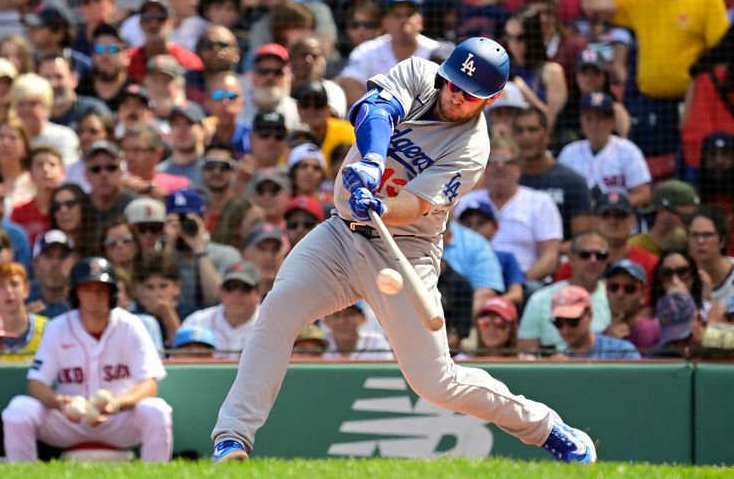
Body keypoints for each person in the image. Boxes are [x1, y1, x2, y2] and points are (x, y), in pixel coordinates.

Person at [209, 37, 596, 464]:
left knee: (435, 382)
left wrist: (385, 205)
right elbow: (375, 110)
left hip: (405, 249)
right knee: (278, 311)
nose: (456, 96)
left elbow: (418, 205)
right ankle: (233, 438)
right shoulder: (417, 72)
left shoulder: (472, 148)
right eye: (453, 84)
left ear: (493, 99)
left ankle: (544, 425)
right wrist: (372, 162)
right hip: (339, 234)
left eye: (470, 95)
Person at [1, 256, 173, 462]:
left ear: (112, 293)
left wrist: (117, 404)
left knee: (156, 410)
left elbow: (149, 384)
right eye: (88, 289)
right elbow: (36, 385)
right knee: (19, 409)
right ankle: (23, 475)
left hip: (118, 419)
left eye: (101, 289)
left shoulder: (130, 325)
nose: (95, 295)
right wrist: (59, 403)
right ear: (76, 293)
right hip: (69, 419)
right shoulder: (57, 327)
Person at [582, 0, 729, 162]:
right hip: (648, 104)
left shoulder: (708, 0)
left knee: (687, 170)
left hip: (690, 105)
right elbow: (591, 4)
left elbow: (722, 55)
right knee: (646, 170)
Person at [459, 135, 562, 283]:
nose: (500, 166)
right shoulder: (465, 201)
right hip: (472, 282)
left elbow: (550, 257)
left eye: (507, 161)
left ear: (519, 167)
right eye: (493, 160)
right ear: (484, 166)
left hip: (525, 282)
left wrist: (518, 284)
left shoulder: (541, 202)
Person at [336, 0, 440, 107]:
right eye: (397, 15)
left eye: (409, 14)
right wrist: (378, 113)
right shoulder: (367, 50)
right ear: (384, 22)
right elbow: (349, 82)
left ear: (420, 22)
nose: (403, 20)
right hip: (380, 119)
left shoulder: (436, 51)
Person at [518, 231, 612, 353]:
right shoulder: (540, 299)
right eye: (585, 254)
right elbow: (527, 352)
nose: (593, 260)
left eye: (600, 255)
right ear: (571, 258)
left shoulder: (617, 296)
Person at [557, 91, 652, 207]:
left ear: (612, 122)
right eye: (589, 118)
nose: (594, 124)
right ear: (581, 121)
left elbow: (643, 193)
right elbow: (558, 192)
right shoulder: (569, 153)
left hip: (618, 219)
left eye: (601, 119)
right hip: (581, 220)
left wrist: (613, 206)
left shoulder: (628, 150)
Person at [512, 106, 593, 241]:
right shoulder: (505, 180)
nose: (526, 136)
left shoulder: (573, 182)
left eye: (532, 130)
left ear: (548, 135)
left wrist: (550, 251)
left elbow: (583, 239)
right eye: (520, 131)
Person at [179, 261, 262, 360]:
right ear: (221, 292)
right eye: (230, 287)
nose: (236, 294)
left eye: (245, 287)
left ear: (258, 293)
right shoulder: (197, 322)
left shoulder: (272, 323)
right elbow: (178, 362)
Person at [457, 202, 525, 307]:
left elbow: (516, 294)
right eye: (467, 224)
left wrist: (491, 304)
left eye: (481, 223)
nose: (473, 228)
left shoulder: (506, 257)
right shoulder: (455, 255)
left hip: (493, 315)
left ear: (495, 227)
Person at [550, 284, 641, 360]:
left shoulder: (621, 351)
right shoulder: (559, 361)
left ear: (589, 315)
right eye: (559, 323)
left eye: (573, 321)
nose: (565, 330)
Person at [0, 262, 48, 361]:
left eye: (14, 284)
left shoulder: (48, 329)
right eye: (0, 286)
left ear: (26, 290)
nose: (8, 290)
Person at [10, 73, 81, 167]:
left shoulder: (63, 137)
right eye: (21, 105)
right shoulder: (8, 139)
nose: (26, 110)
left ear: (47, 106)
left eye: (33, 104)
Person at [37, 54, 110, 131]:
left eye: (59, 77)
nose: (53, 84)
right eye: (46, 77)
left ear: (74, 80)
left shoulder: (92, 110)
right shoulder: (33, 115)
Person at [687, 206, 734, 322]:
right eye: (694, 235)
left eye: (708, 235)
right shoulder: (681, 277)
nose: (700, 241)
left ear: (722, 241)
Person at [11, 147, 65, 246]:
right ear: (30, 174)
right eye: (40, 165)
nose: (45, 169)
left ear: (63, 172)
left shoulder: (71, 209)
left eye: (52, 164)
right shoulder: (19, 212)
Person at [603, 259, 660, 351]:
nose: (620, 294)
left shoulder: (658, 332)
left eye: (629, 289)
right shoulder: (597, 341)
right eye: (613, 287)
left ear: (643, 296)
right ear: (606, 292)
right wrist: (611, 345)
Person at [322, 301, 393, 360]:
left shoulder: (377, 341)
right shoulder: (318, 342)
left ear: (363, 317)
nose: (342, 320)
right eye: (336, 315)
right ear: (326, 320)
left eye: (349, 314)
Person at [29, 230, 75, 319]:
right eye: (48, 256)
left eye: (62, 256)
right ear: (35, 265)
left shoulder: (84, 301)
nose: (55, 264)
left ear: (72, 263)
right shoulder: (21, 299)